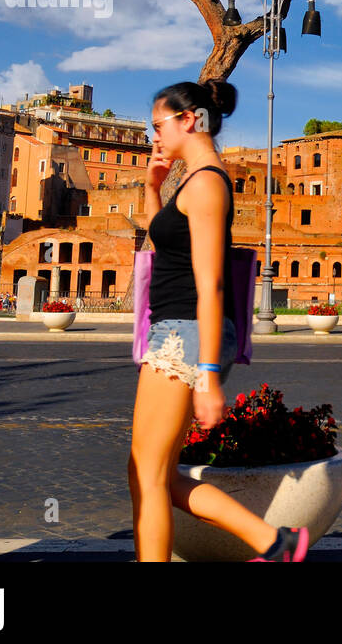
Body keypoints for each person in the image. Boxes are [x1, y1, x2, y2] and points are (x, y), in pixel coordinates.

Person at [129, 79, 308, 562]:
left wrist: (208, 376)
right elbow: (164, 241)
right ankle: (276, 542)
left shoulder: (207, 183)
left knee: (147, 477)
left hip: (185, 336)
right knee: (154, 478)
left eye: (159, 125)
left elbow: (211, 285)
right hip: (175, 331)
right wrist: (151, 186)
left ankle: (276, 542)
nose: (155, 137)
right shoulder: (193, 180)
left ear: (189, 120)